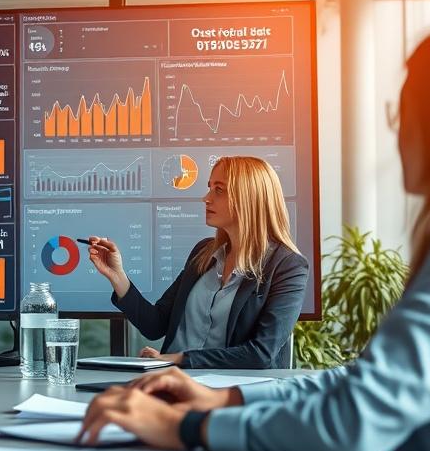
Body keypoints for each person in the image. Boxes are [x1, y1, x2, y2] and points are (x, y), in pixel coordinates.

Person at [77, 20, 430, 451]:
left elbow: (279, 366)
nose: (396, 131)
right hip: (215, 400)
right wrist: (121, 282)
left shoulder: (290, 266)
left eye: (402, 111)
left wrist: (189, 418)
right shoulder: (202, 254)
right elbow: (353, 382)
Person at [87, 156, 308, 368]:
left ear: (249, 198)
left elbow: (260, 354)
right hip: (171, 380)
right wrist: (118, 276)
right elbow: (155, 325)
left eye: (218, 190)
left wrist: (178, 359)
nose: (206, 198)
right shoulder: (203, 253)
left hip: (227, 391)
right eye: (210, 187)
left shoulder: (287, 266)